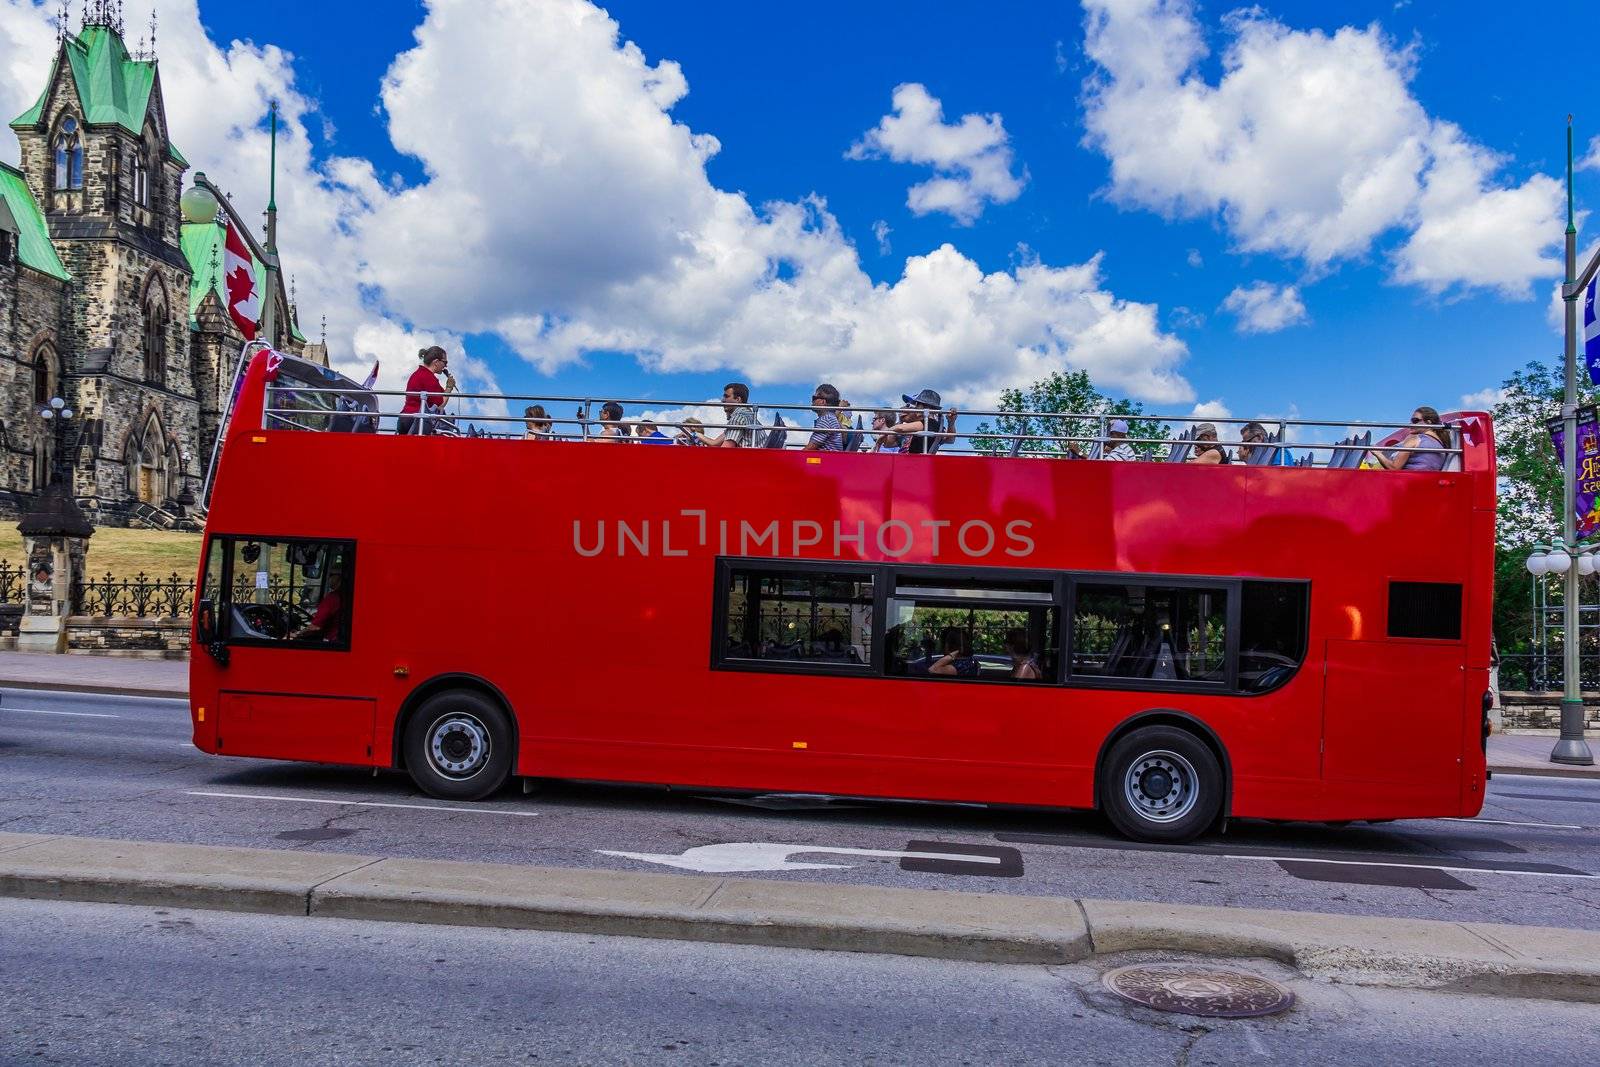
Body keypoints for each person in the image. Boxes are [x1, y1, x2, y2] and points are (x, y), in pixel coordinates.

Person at [1369, 406, 1448, 471]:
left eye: (1415, 420)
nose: (1411, 424)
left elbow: (1394, 467)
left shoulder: (1415, 439)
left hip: (1406, 482)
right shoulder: (1441, 445)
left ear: (1428, 422)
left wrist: (1377, 453)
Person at [397, 346, 454, 436]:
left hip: (405, 419)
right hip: (416, 422)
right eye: (444, 362)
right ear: (436, 362)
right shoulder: (429, 378)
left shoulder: (418, 374)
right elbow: (441, 404)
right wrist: (449, 387)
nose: (445, 366)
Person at [892, 388, 958, 454]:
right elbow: (888, 443)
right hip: (908, 461)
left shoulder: (929, 424)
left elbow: (950, 440)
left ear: (925, 407)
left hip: (915, 462)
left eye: (914, 405)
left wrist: (951, 422)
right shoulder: (934, 426)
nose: (904, 408)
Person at [700, 382, 759, 448]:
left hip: (747, 457)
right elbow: (714, 443)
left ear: (738, 399)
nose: (722, 400)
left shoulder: (738, 418)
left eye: (726, 396)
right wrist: (696, 434)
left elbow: (725, 451)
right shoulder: (749, 416)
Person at [291, 571, 346, 642]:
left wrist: (298, 633)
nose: (328, 578)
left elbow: (316, 627)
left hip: (332, 640)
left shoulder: (333, 598)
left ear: (339, 577)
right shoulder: (346, 595)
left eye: (331, 575)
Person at [805, 383, 845, 451]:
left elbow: (810, 447)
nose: (812, 401)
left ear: (823, 402)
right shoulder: (831, 418)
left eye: (814, 398)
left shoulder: (825, 420)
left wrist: (794, 458)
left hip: (826, 459)